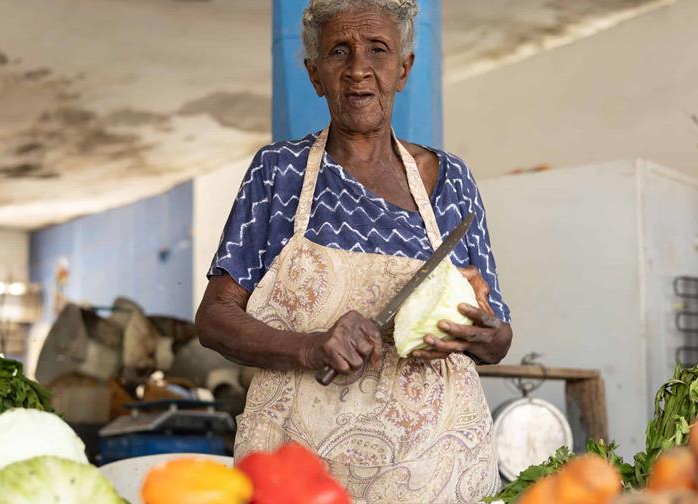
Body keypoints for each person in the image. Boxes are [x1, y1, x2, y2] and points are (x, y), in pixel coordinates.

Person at [195, 0, 513, 501]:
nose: (359, 69)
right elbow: (214, 317)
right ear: (316, 75)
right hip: (300, 475)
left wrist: (479, 332)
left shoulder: (452, 181)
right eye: (339, 51)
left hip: (436, 475)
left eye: (378, 50)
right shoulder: (280, 173)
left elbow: (499, 340)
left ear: (403, 69)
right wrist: (309, 346)